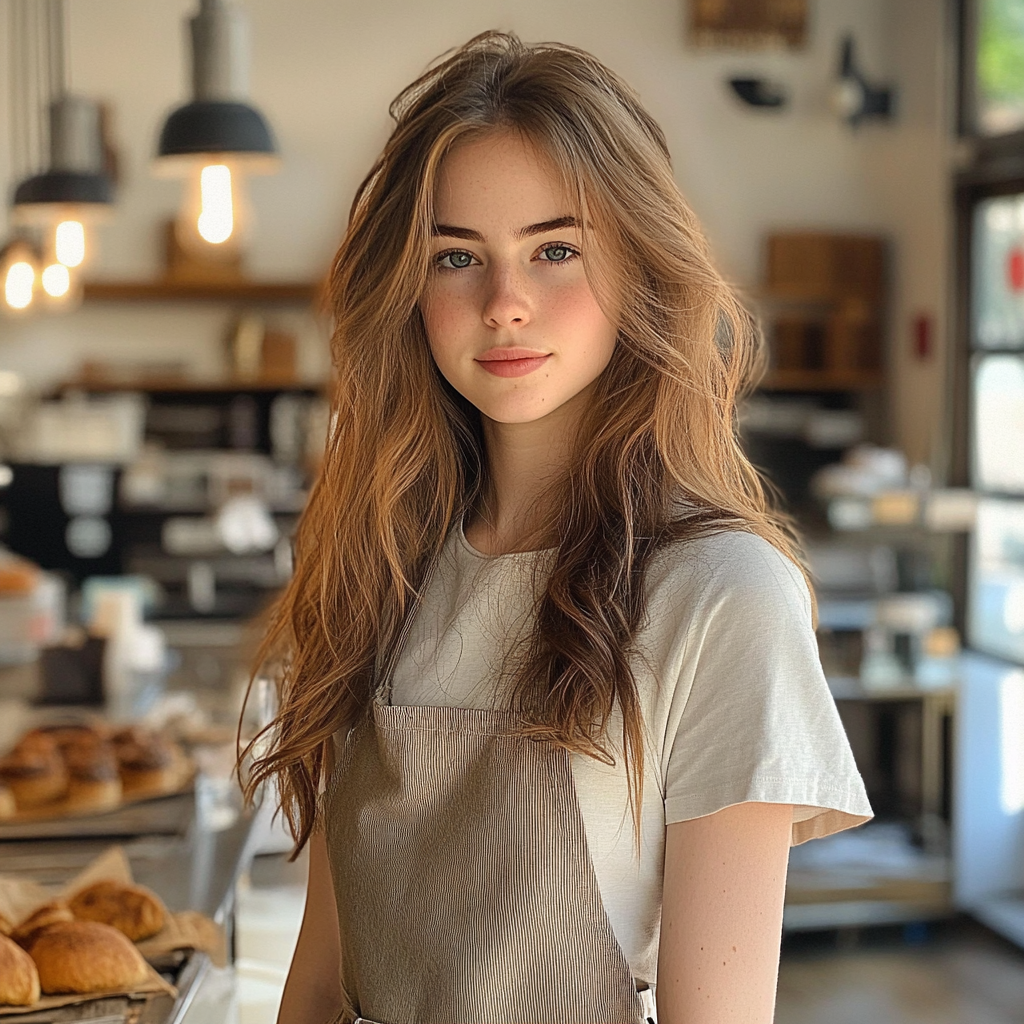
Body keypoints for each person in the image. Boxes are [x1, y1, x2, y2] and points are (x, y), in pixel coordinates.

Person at [244, 30, 873, 1024]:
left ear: (638, 268)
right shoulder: (379, 568)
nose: (504, 304)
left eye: (555, 249)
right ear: (407, 289)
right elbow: (320, 984)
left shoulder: (719, 595)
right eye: (456, 256)